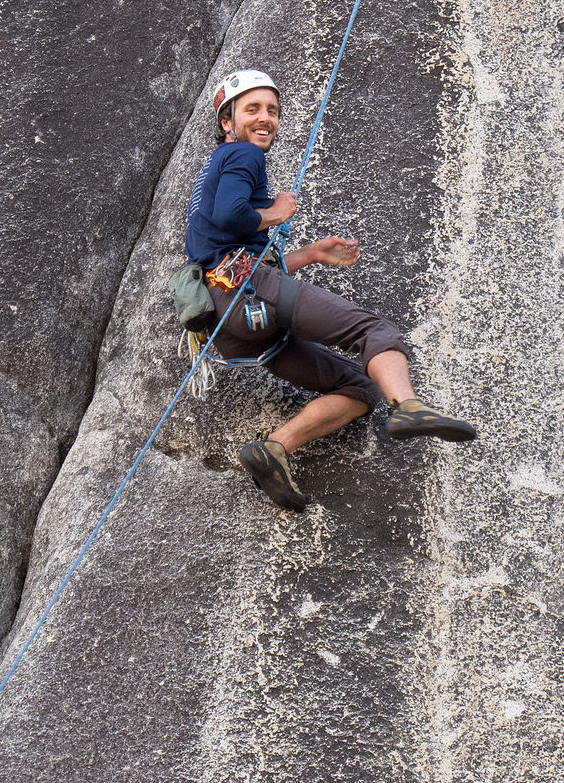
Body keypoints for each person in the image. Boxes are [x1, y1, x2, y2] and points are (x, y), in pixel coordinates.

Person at [184, 69, 477, 511]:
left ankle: (273, 449)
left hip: (229, 315)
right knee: (371, 329)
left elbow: (225, 246)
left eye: (272, 110)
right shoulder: (243, 155)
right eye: (252, 109)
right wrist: (276, 213)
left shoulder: (216, 168)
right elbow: (231, 219)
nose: (266, 118)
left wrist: (312, 254)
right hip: (245, 290)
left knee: (360, 389)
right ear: (227, 121)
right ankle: (410, 405)